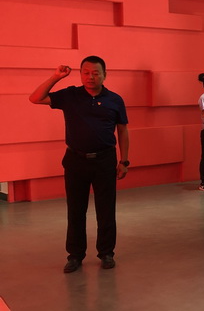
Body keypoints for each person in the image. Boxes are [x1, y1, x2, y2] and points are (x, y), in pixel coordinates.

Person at [30, 56, 130, 273]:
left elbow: (122, 130)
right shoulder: (70, 95)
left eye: (95, 73)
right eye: (86, 72)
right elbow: (35, 98)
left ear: (104, 75)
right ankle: (75, 256)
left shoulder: (115, 100)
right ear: (81, 74)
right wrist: (56, 77)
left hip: (105, 160)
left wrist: (124, 161)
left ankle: (106, 253)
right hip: (75, 160)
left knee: (106, 210)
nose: (90, 77)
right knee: (76, 210)